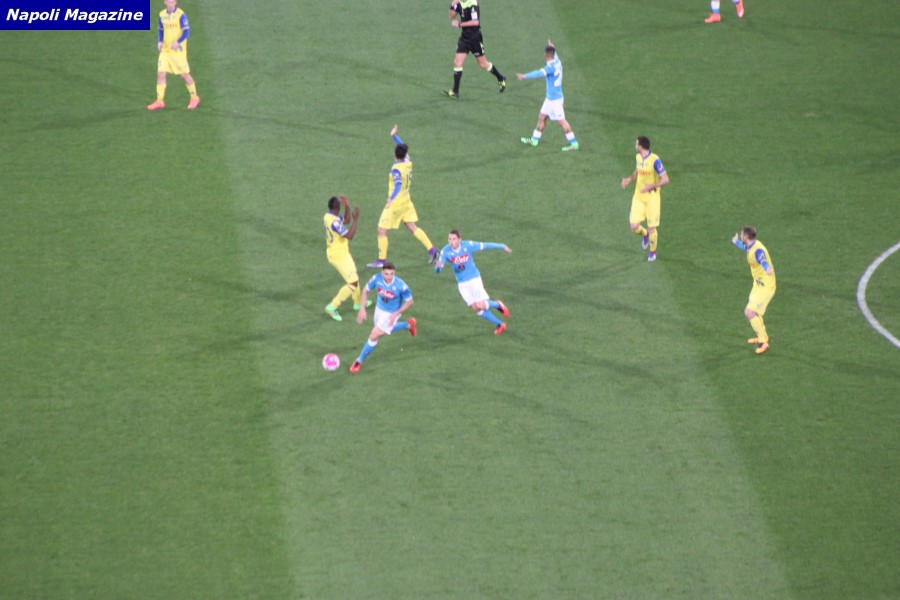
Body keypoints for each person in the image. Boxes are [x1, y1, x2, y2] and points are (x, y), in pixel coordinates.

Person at [367, 125, 439, 268]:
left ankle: (381, 260)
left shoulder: (396, 170)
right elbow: (402, 148)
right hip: (406, 201)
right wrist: (394, 136)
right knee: (412, 226)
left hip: (396, 204)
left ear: (394, 155)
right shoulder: (407, 161)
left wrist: (390, 198)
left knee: (381, 230)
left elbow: (398, 184)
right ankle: (433, 251)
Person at [435, 229, 511, 334]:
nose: (451, 242)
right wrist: (438, 267)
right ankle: (500, 324)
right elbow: (438, 269)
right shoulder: (445, 251)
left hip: (474, 279)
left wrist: (501, 246)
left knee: (480, 305)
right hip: (462, 283)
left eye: (454, 239)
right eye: (449, 239)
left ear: (459, 239)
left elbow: (484, 245)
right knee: (476, 309)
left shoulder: (468, 245)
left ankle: (497, 305)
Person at [350, 262, 417, 373]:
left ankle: (359, 361)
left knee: (374, 335)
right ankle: (408, 324)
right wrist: (362, 309)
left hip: (391, 314)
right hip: (379, 310)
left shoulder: (401, 285)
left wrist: (396, 314)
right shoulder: (377, 279)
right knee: (384, 330)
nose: (389, 277)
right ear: (382, 272)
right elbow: (365, 290)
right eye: (386, 274)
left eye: (392, 274)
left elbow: (410, 302)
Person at [517, 39, 579, 152]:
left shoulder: (550, 67)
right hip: (550, 99)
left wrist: (524, 76)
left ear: (545, 55)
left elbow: (539, 73)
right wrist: (552, 46)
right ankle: (534, 140)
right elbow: (553, 53)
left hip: (555, 100)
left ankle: (574, 143)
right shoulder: (557, 61)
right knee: (542, 117)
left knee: (562, 121)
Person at [443, 0, 507, 99]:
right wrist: (452, 5)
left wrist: (459, 24)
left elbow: (475, 22)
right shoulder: (458, 2)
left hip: (475, 38)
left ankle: (501, 77)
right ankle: (455, 92)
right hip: (464, 38)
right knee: (457, 63)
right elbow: (452, 16)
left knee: (483, 64)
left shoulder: (473, 4)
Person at [620, 136, 669, 262]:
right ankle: (645, 234)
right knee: (634, 226)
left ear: (641, 146)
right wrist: (629, 179)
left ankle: (652, 252)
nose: (635, 145)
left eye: (636, 144)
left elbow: (665, 179)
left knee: (652, 227)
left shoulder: (655, 160)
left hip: (652, 198)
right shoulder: (638, 157)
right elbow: (638, 171)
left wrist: (651, 186)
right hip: (638, 196)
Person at [324, 196, 372, 321]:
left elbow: (345, 220)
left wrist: (347, 206)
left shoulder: (328, 216)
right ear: (337, 207)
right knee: (353, 283)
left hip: (341, 252)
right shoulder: (334, 222)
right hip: (338, 255)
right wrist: (356, 221)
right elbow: (350, 235)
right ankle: (332, 306)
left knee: (354, 275)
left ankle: (357, 303)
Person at [147, 0, 200, 110]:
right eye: (168, 1)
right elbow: (160, 30)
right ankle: (159, 101)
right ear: (165, 2)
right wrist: (159, 41)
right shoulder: (162, 14)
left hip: (178, 52)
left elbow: (186, 31)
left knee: (184, 75)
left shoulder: (181, 15)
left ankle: (194, 97)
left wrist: (178, 42)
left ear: (175, 2)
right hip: (166, 50)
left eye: (172, 1)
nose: (170, 3)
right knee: (161, 73)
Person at [732, 226, 776, 355]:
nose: (741, 236)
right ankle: (763, 336)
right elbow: (745, 248)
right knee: (754, 312)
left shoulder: (758, 251)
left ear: (746, 237)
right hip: (758, 285)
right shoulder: (751, 245)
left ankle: (763, 342)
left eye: (741, 235)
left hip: (766, 287)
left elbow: (762, 259)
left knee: (749, 312)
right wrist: (736, 242)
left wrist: (767, 268)